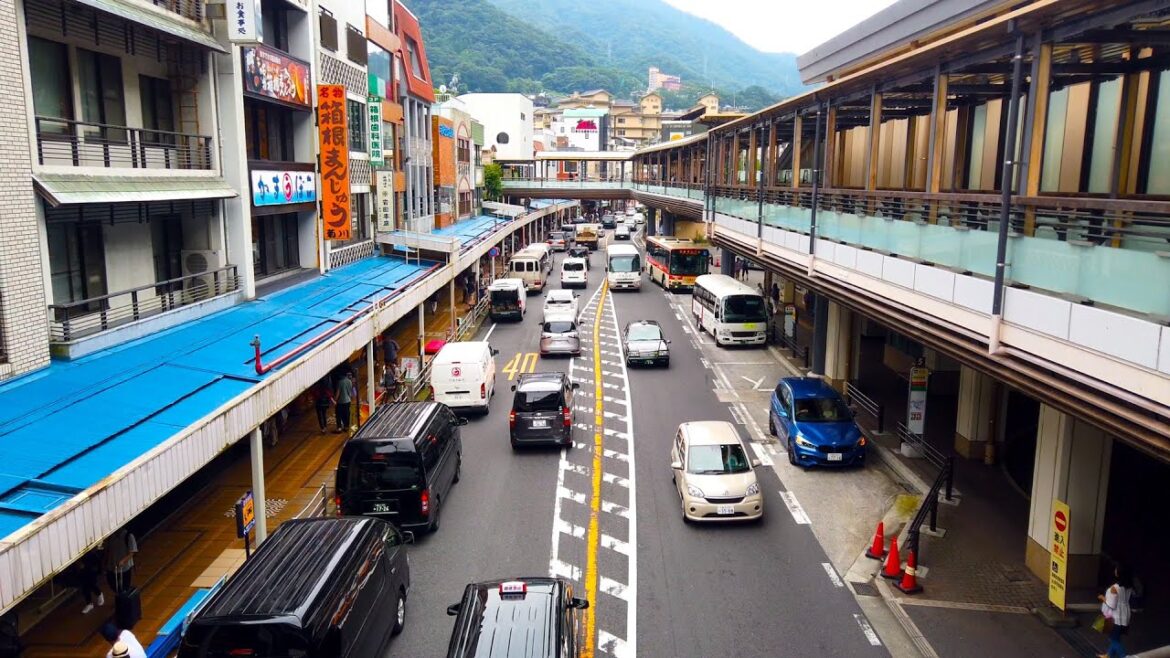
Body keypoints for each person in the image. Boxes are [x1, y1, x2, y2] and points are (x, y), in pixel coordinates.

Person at [1098, 564, 1133, 658]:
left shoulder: (1115, 588)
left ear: (1118, 574)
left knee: (1113, 639)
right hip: (1125, 614)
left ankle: (1124, 656)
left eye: (1116, 570)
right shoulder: (1129, 585)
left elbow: (1111, 605)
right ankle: (1109, 655)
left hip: (1115, 616)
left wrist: (1102, 598)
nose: (1115, 571)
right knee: (1116, 637)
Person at [103, 528, 137, 595]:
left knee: (125, 586)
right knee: (112, 584)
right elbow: (107, 551)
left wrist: (123, 561)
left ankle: (124, 600)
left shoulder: (128, 536)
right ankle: (121, 597)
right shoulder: (111, 537)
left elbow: (132, 552)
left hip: (125, 568)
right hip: (112, 566)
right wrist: (104, 563)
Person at [79, 548, 104, 614]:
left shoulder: (92, 554)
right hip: (84, 570)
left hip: (91, 569)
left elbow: (97, 562)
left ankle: (99, 594)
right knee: (85, 587)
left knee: (91, 584)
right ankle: (89, 604)